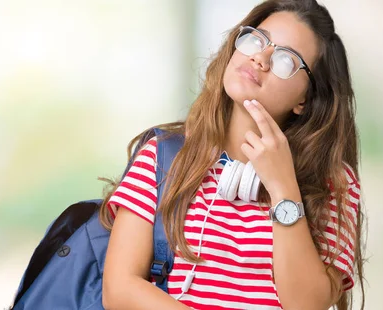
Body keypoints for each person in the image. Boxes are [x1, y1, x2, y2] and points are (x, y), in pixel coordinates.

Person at [99, 0, 365, 309]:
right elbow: (119, 289)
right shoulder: (162, 157)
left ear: (304, 99)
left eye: (285, 59)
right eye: (257, 39)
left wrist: (283, 189)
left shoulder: (334, 182)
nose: (259, 58)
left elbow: (307, 305)